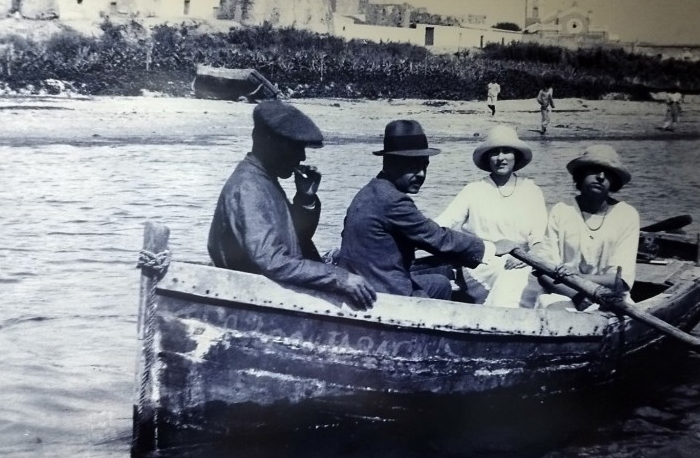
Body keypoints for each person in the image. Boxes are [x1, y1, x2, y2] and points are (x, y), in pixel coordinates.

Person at [208, 100, 377, 310]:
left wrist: (305, 198)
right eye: (296, 147)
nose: (302, 156)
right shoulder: (249, 187)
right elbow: (273, 261)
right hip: (255, 301)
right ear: (268, 142)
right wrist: (339, 277)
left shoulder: (264, 180)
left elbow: (297, 237)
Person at [337, 119, 513, 300]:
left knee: (441, 283)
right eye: (412, 166)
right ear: (390, 163)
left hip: (368, 281)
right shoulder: (392, 200)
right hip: (382, 293)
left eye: (424, 165)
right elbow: (437, 238)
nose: (421, 174)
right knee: (441, 286)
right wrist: (491, 248)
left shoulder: (369, 191)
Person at [434, 125, 547, 304]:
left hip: (522, 262)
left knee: (524, 275)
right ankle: (504, 316)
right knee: (511, 275)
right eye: (495, 152)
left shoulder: (531, 190)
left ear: (515, 155)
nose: (501, 158)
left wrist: (529, 259)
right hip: (481, 264)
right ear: (487, 157)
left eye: (507, 151)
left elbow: (539, 239)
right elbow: (443, 223)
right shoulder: (473, 190)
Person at [531, 144, 640, 311]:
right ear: (581, 175)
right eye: (595, 170)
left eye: (608, 173)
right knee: (556, 310)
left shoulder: (627, 215)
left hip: (609, 296)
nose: (601, 177)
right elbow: (544, 273)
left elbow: (619, 280)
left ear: (614, 181)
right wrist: (575, 294)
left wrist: (576, 277)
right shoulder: (561, 210)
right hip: (563, 291)